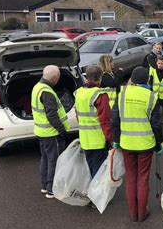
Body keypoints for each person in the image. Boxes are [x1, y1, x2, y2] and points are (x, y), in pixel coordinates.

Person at [111, 67, 163, 222]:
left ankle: (133, 213)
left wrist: (116, 140)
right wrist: (159, 142)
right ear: (147, 79)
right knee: (143, 178)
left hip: (126, 143)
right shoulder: (151, 96)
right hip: (145, 144)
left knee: (131, 178)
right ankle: (142, 213)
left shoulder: (122, 94)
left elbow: (115, 119)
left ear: (132, 79)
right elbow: (156, 123)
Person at [31, 65, 70, 199]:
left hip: (41, 132)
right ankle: (51, 189)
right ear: (55, 77)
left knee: (46, 159)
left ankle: (44, 185)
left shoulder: (37, 87)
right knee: (54, 160)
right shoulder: (47, 92)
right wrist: (62, 131)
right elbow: (52, 116)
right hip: (51, 133)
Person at [75, 65, 113, 178]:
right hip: (98, 139)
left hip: (85, 138)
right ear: (100, 78)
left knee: (91, 166)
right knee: (99, 171)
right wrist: (110, 139)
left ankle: (92, 191)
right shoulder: (100, 95)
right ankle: (97, 194)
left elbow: (78, 115)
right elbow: (105, 121)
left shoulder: (78, 93)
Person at [149, 56, 163, 124]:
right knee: (156, 107)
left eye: (161, 63)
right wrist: (150, 91)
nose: (160, 65)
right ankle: (157, 118)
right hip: (155, 94)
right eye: (159, 63)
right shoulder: (153, 71)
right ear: (156, 63)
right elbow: (150, 82)